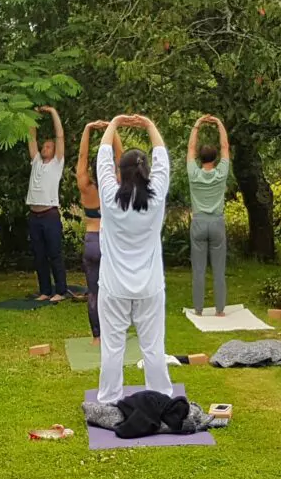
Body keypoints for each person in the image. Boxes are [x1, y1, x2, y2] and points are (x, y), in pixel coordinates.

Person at [96, 114, 174, 404]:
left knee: (112, 347)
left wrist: (114, 123)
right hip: (149, 287)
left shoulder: (109, 196)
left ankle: (108, 400)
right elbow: (163, 160)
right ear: (146, 171)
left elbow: (102, 161)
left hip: (114, 287)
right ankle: (160, 396)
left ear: (121, 171)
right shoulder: (155, 199)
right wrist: (150, 125)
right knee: (153, 347)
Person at [76, 120, 123, 346]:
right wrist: (112, 130)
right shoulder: (115, 185)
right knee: (115, 290)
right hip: (110, 242)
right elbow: (121, 158)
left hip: (92, 240)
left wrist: (87, 130)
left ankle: (97, 336)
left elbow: (82, 160)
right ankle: (115, 332)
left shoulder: (86, 186)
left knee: (94, 291)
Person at [187, 115, 231, 317]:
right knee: (219, 269)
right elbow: (225, 147)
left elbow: (189, 149)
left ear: (200, 158)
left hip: (198, 222)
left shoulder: (194, 174)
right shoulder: (221, 173)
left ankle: (198, 310)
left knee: (198, 269)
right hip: (216, 222)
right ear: (214, 158)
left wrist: (197, 124)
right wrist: (219, 124)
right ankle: (220, 310)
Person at [26, 105, 68, 302]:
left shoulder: (57, 163)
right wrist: (33, 115)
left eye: (48, 146)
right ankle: (45, 290)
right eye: (44, 146)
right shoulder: (35, 161)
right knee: (39, 255)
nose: (45, 147)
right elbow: (31, 137)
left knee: (54, 253)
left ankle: (60, 290)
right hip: (34, 215)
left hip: (50, 214)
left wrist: (52, 112)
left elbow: (60, 136)